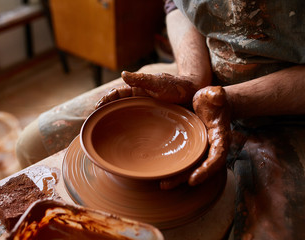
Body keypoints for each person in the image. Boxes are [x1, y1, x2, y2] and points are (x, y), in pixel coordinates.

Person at [16, 0, 305, 238]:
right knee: (33, 143)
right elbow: (176, 6)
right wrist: (191, 79)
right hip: (198, 74)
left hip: (285, 107)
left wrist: (233, 100)